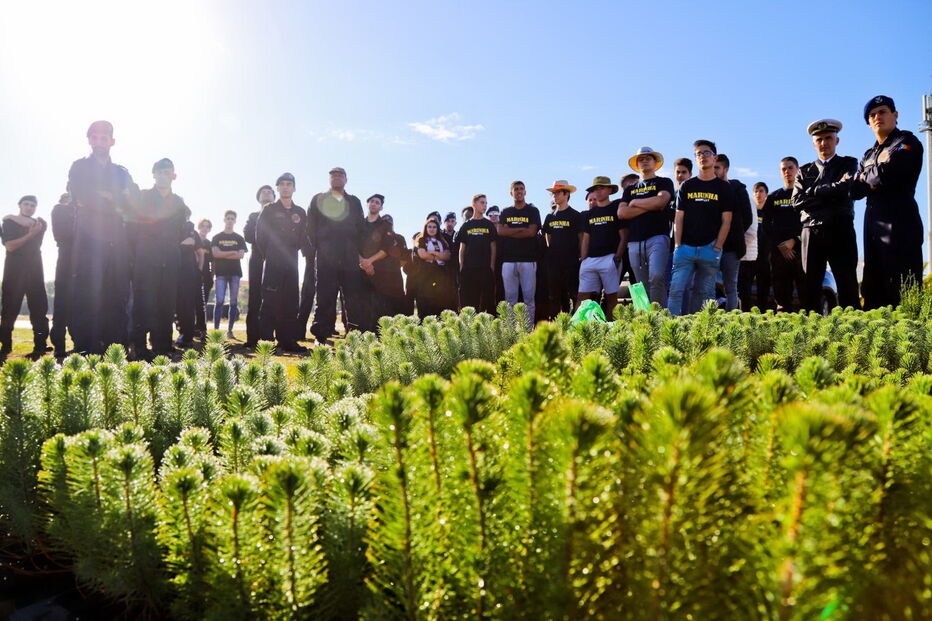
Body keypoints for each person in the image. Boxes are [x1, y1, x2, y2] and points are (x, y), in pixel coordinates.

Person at [66, 120, 137, 354]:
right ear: (89, 140)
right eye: (95, 137)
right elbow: (81, 196)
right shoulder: (79, 167)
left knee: (116, 294)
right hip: (87, 243)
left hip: (117, 244)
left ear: (112, 141)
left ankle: (114, 348)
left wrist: (106, 198)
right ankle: (85, 347)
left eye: (104, 137)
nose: (99, 141)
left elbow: (131, 203)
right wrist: (112, 199)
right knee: (87, 293)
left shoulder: (121, 172)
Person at [852, 95, 925, 309]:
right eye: (872, 115)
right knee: (873, 293)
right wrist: (872, 175)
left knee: (903, 293)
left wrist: (868, 176)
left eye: (882, 112)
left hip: (901, 227)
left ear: (895, 115)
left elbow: (891, 171)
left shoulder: (907, 142)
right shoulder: (868, 154)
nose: (877, 117)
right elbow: (855, 190)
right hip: (873, 230)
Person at [792, 119, 860, 313]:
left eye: (828, 138)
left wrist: (812, 192)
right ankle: (812, 334)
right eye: (819, 139)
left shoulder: (848, 163)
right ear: (814, 143)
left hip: (841, 229)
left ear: (837, 140)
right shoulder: (804, 171)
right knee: (810, 286)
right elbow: (797, 201)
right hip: (811, 231)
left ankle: (853, 330)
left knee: (847, 283)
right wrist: (830, 193)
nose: (824, 143)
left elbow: (845, 188)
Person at [129, 158, 189, 359]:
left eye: (167, 172)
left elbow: (183, 228)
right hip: (146, 257)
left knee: (166, 303)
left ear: (174, 176)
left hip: (170, 258)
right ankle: (139, 347)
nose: (163, 176)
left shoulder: (179, 202)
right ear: (153, 174)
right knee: (144, 303)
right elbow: (132, 227)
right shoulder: (143, 197)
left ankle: (162, 345)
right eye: (159, 172)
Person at [668, 140, 734, 316]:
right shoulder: (687, 186)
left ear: (714, 157)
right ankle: (671, 329)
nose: (702, 157)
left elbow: (727, 220)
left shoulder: (723, 188)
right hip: (685, 248)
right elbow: (679, 217)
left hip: (710, 248)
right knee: (675, 291)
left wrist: (717, 247)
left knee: (705, 294)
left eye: (706, 153)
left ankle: (700, 331)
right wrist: (678, 245)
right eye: (698, 154)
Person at [307, 167, 366, 344]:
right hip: (326, 258)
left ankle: (354, 335)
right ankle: (321, 335)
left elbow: (361, 228)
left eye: (340, 175)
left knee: (352, 297)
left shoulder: (354, 201)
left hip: (349, 258)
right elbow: (310, 227)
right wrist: (319, 247)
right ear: (329, 180)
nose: (337, 178)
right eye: (333, 176)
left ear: (346, 180)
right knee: (325, 297)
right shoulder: (319, 199)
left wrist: (358, 252)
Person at [617, 148, 674, 306]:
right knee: (641, 285)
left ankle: (659, 314)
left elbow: (661, 201)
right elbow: (622, 213)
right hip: (635, 242)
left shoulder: (664, 182)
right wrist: (650, 204)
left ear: (655, 163)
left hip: (658, 238)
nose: (644, 161)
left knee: (656, 277)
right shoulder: (630, 189)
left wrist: (635, 203)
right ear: (636, 164)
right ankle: (646, 318)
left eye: (648, 158)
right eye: (641, 159)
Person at [258, 172, 307, 352]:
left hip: (292, 263)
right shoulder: (269, 210)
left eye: (289, 184)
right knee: (270, 301)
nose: (286, 187)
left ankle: (287, 341)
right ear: (277, 188)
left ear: (294, 188)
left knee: (291, 302)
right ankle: (266, 342)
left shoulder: (300, 212)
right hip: (273, 262)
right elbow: (260, 237)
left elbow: (303, 237)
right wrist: (271, 255)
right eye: (282, 184)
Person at [0, 196, 49, 357]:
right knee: (9, 310)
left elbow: (31, 223)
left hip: (35, 272)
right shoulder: (8, 224)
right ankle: (6, 346)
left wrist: (11, 217)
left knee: (39, 310)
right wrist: (29, 234)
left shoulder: (40, 223)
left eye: (33, 205)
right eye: (26, 204)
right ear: (19, 205)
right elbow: (10, 246)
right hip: (13, 273)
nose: (29, 207)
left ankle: (40, 347)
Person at [578, 176, 624, 318]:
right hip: (590, 260)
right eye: (595, 189)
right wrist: (583, 259)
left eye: (602, 188)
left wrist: (617, 257)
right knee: (582, 298)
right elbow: (586, 238)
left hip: (610, 258)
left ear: (610, 190)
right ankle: (578, 329)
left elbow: (624, 235)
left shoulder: (616, 208)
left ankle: (612, 329)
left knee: (611, 297)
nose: (598, 191)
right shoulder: (589, 214)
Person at [765, 157, 807, 311]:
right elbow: (766, 225)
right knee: (782, 297)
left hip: (801, 251)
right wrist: (780, 245)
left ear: (798, 170)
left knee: (806, 295)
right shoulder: (773, 197)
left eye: (790, 168)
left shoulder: (805, 195)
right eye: (783, 169)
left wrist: (794, 241)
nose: (787, 172)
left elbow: (810, 223)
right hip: (779, 254)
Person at [497, 181, 541, 323]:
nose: (519, 191)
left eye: (521, 189)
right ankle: (511, 332)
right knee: (510, 300)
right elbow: (500, 231)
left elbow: (531, 232)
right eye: (516, 189)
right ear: (511, 193)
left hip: (528, 260)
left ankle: (528, 331)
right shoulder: (505, 211)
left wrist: (509, 231)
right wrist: (521, 229)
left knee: (529, 299)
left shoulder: (533, 211)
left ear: (525, 192)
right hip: (508, 261)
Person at [713, 154, 752, 311]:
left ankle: (731, 321)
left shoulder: (738, 190)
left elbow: (747, 217)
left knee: (730, 286)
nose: (713, 170)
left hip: (731, 247)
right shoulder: (708, 188)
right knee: (708, 285)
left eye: (717, 167)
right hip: (711, 246)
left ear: (726, 169)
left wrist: (734, 233)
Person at [543, 180, 583, 315]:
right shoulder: (549, 216)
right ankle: (555, 325)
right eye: (553, 193)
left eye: (557, 192)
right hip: (553, 262)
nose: (554, 195)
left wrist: (581, 256)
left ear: (566, 194)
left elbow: (581, 238)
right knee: (554, 295)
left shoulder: (576, 215)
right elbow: (547, 236)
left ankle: (573, 324)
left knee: (573, 294)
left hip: (571, 261)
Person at [455, 194, 497, 313]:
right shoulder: (466, 225)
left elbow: (493, 247)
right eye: (482, 203)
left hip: (485, 269)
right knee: (469, 301)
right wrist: (462, 266)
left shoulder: (489, 225)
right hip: (469, 269)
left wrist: (492, 266)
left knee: (488, 301)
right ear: (474, 205)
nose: (485, 206)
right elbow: (462, 248)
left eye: (486, 203)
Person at [244, 184, 274, 348]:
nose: (267, 194)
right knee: (254, 297)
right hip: (257, 258)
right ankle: (252, 338)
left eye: (270, 192)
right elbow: (248, 235)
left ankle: (268, 337)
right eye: (263, 192)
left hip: (276, 259)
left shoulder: (279, 215)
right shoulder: (253, 215)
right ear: (259, 197)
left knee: (273, 297)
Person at [212, 210, 247, 338]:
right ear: (224, 220)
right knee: (219, 301)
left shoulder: (239, 238)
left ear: (235, 221)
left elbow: (241, 255)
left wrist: (223, 254)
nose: (230, 220)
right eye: (228, 218)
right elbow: (215, 254)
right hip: (220, 274)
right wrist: (232, 253)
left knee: (233, 302)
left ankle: (230, 331)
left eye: (232, 218)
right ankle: (216, 331)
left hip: (235, 274)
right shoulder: (217, 237)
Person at [50, 192, 74, 357]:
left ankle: (80, 343)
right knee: (61, 306)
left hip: (84, 265)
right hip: (66, 262)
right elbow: (62, 235)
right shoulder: (59, 210)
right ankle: (59, 347)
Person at [415, 218, 454, 317]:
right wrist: (439, 255)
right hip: (426, 274)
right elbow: (423, 254)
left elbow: (448, 256)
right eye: (429, 227)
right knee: (426, 301)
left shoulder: (442, 240)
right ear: (426, 228)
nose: (432, 229)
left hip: (441, 274)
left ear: (437, 228)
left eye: (434, 227)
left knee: (440, 301)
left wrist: (433, 253)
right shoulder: (421, 239)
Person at [740, 182, 770, 310]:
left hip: (765, 257)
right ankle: (746, 312)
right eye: (756, 191)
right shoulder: (750, 212)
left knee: (763, 288)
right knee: (745, 288)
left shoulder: (769, 213)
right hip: (750, 256)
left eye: (761, 191)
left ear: (766, 194)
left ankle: (763, 313)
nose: (758, 194)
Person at [176, 220, 199, 348]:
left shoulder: (190, 226)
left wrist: (173, 245)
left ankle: (187, 335)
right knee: (175, 305)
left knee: (187, 304)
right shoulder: (169, 227)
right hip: (172, 269)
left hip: (188, 272)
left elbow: (191, 242)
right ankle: (181, 333)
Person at [195, 218, 213, 337]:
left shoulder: (209, 244)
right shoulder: (194, 240)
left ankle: (202, 330)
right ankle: (192, 329)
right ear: (199, 227)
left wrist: (212, 275)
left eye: (207, 226)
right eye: (203, 226)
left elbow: (213, 262)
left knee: (202, 304)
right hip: (192, 275)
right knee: (191, 304)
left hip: (206, 277)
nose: (204, 228)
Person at [487, 205, 504, 304]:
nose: (493, 216)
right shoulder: (486, 230)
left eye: (496, 214)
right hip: (488, 263)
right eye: (490, 215)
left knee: (501, 289)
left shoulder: (504, 229)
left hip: (503, 263)